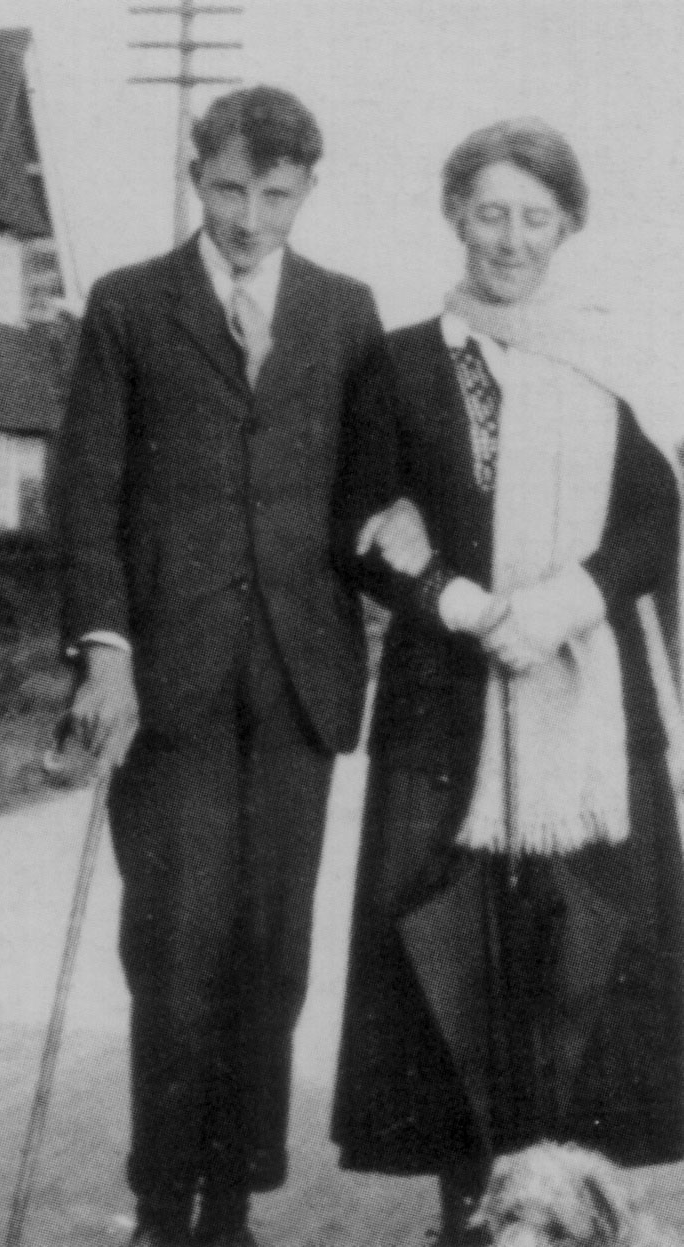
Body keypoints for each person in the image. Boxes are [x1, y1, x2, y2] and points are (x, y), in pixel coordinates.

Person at [331, 118, 684, 1245]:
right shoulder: (396, 361)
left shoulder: (605, 355)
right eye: (489, 212)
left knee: (584, 967)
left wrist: (558, 606)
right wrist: (461, 605)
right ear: (454, 216)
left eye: (534, 216)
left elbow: (652, 517)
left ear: (566, 226)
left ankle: (575, 1220)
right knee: (456, 967)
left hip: (584, 707)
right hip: (448, 710)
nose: (510, 238)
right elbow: (361, 521)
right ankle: (472, 1220)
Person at [56, 86, 396, 1246]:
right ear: (193, 174)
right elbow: (86, 496)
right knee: (175, 943)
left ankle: (231, 1203)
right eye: (227, 188)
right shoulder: (127, 306)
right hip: (170, 687)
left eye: (275, 193)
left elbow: (368, 494)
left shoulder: (345, 314)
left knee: (272, 950)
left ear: (307, 190)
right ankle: (160, 1202)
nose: (249, 217)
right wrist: (104, 653)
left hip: (298, 682)